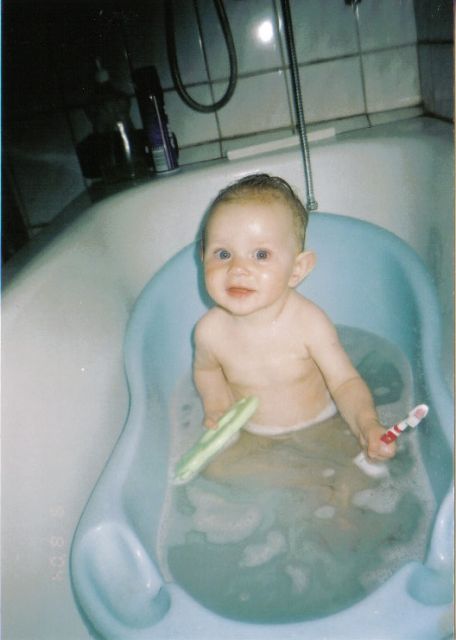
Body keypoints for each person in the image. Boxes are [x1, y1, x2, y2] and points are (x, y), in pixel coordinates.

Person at [193, 173, 396, 485]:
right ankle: (303, 478)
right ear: (202, 258)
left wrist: (367, 425)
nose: (238, 269)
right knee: (213, 469)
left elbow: (344, 382)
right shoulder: (209, 332)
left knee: (362, 470)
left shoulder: (309, 324)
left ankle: (322, 484)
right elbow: (207, 371)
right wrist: (217, 406)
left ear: (297, 269)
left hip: (322, 425)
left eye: (261, 255)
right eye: (223, 254)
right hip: (253, 433)